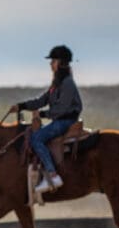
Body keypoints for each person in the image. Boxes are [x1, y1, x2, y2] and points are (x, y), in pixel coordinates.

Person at [8, 45, 83, 194]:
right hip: (59, 121)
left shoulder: (67, 83)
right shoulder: (56, 84)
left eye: (53, 60)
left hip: (65, 121)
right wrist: (21, 106)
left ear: (61, 63)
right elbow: (41, 101)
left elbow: (61, 109)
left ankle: (53, 175)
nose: (51, 64)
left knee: (36, 138)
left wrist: (41, 115)